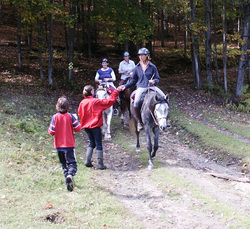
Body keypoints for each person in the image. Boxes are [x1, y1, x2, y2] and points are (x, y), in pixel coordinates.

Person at [78, 85, 122, 170]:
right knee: (98, 144)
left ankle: (87, 161)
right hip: (95, 126)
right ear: (91, 92)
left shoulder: (82, 102)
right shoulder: (96, 101)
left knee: (92, 143)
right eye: (93, 90)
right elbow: (109, 101)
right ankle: (100, 164)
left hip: (86, 127)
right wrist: (116, 91)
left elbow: (80, 114)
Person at [120, 47, 165, 132]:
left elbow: (157, 78)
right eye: (139, 55)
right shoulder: (137, 67)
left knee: (163, 97)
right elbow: (133, 81)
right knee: (136, 102)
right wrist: (125, 86)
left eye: (142, 55)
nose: (140, 57)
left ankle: (163, 120)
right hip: (141, 87)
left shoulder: (152, 66)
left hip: (151, 87)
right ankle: (139, 122)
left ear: (147, 56)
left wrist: (154, 81)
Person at [48, 96, 82, 192]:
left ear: (57, 107)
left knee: (64, 164)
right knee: (72, 163)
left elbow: (51, 131)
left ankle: (68, 182)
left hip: (59, 146)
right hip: (69, 144)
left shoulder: (55, 117)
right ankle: (70, 175)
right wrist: (77, 120)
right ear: (68, 106)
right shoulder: (70, 116)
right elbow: (78, 128)